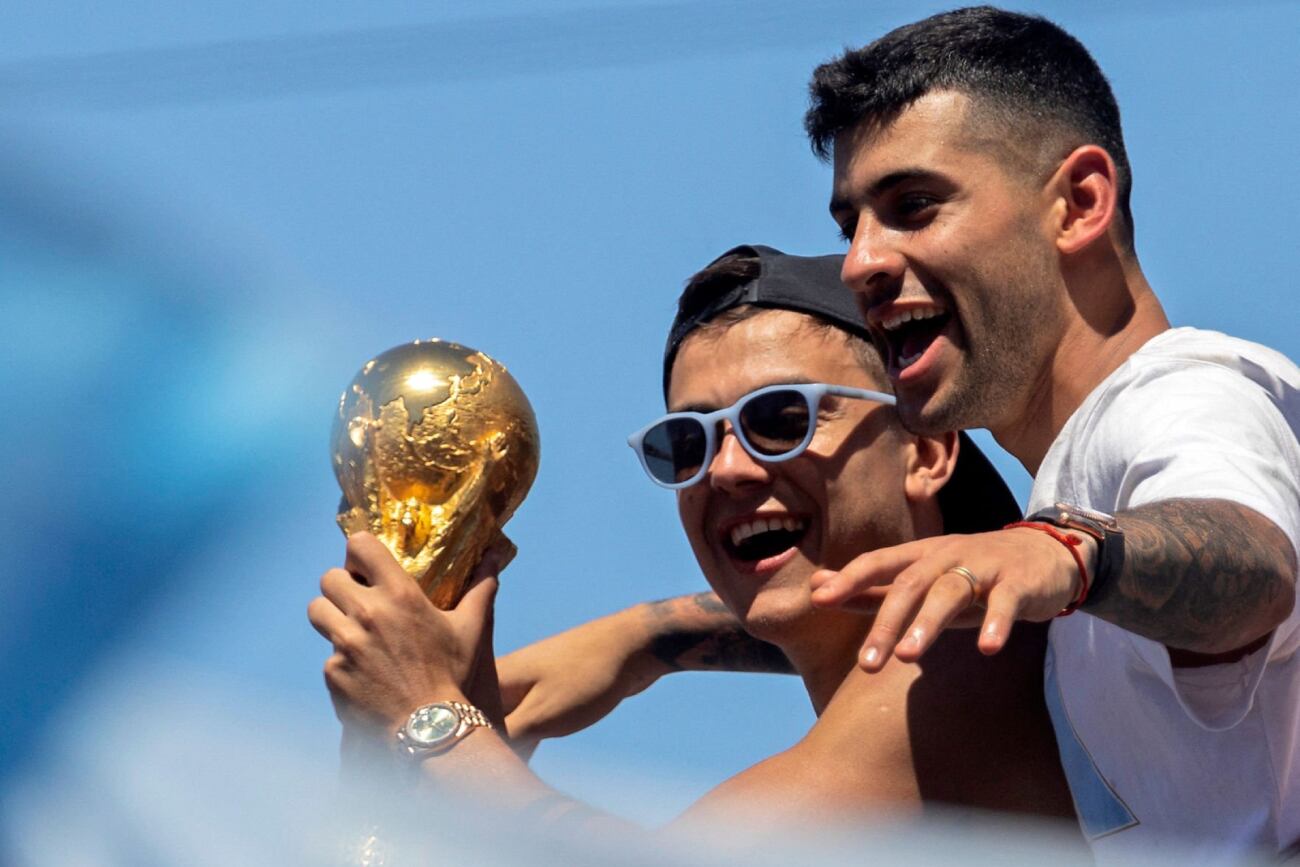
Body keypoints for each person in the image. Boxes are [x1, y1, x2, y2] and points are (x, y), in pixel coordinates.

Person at [308, 245, 1075, 843]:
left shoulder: (957, 670)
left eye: (783, 418)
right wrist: (646, 636)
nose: (731, 468)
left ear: (928, 450)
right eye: (688, 443)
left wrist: (432, 721)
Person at [790, 5, 1300, 858]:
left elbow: (1252, 562)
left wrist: (1064, 550)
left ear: (1079, 202)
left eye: (912, 205)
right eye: (851, 225)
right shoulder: (1086, 480)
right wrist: (654, 638)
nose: (858, 264)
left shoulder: (1182, 391)